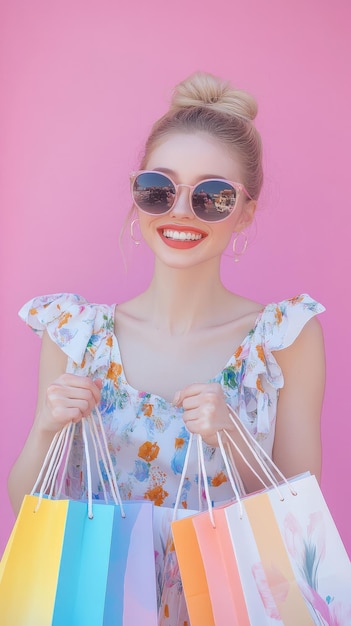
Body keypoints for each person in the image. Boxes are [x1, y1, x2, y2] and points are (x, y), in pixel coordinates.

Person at [8, 71, 326, 624]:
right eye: (159, 188)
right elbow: (25, 505)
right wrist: (46, 428)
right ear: (137, 197)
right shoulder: (75, 335)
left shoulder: (282, 340)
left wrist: (234, 436)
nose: (180, 211)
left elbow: (300, 519)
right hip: (102, 610)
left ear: (246, 212)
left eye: (213, 196)